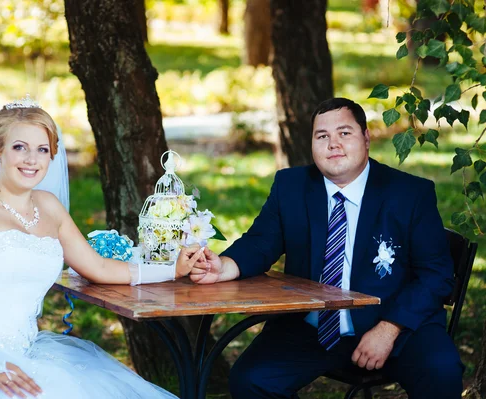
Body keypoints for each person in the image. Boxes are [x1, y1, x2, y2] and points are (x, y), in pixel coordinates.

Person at [0, 97, 204, 399]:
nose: (31, 159)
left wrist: (171, 269)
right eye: (19, 147)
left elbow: (100, 268)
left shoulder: (49, 207)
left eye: (42, 149)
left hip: (27, 352)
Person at [189, 98, 464, 398]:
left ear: (366, 138)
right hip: (312, 327)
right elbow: (260, 242)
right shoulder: (291, 186)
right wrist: (225, 265)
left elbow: (436, 274)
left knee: (442, 370)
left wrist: (389, 328)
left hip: (395, 322)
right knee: (250, 379)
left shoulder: (409, 194)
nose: (333, 143)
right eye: (322, 136)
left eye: (344, 133)